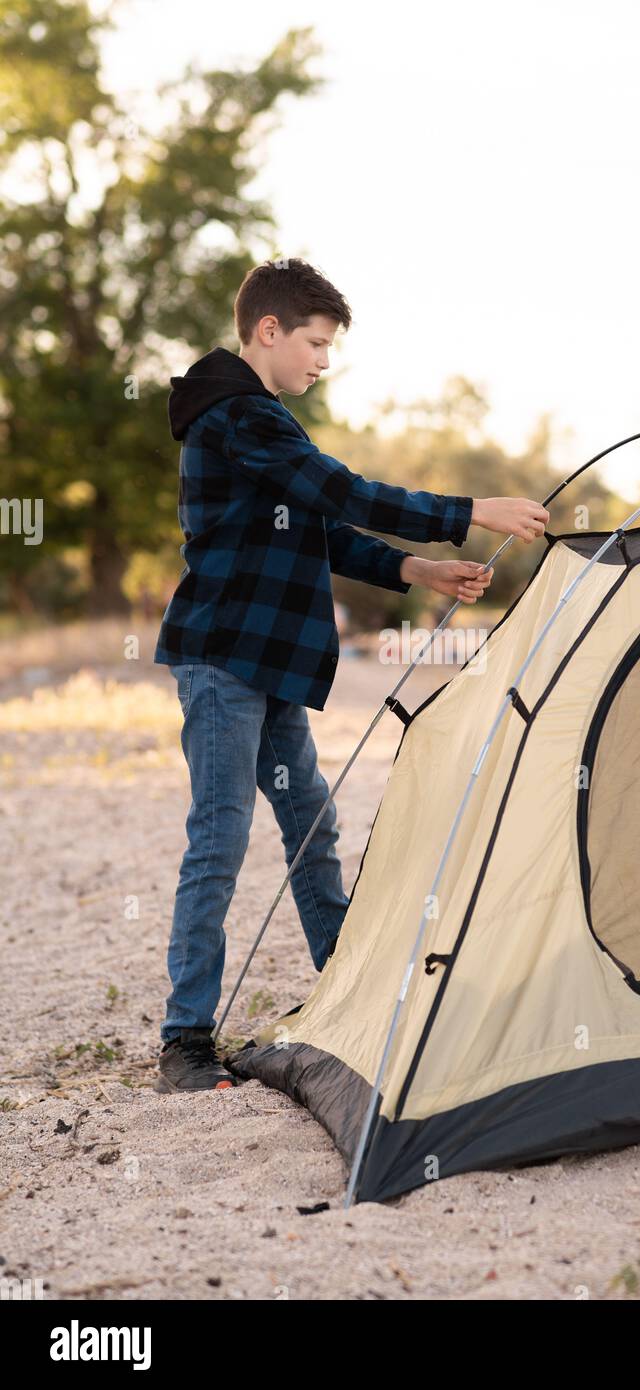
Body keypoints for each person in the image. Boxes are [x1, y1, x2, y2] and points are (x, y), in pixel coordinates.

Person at [153, 257, 550, 1091]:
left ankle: (346, 988)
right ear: (269, 331)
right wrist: (469, 514)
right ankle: (185, 1042)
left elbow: (314, 529)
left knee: (312, 823)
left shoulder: (258, 419)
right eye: (316, 344)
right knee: (219, 841)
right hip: (224, 661)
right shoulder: (237, 416)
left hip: (271, 664)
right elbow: (341, 491)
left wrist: (418, 569)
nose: (322, 362)